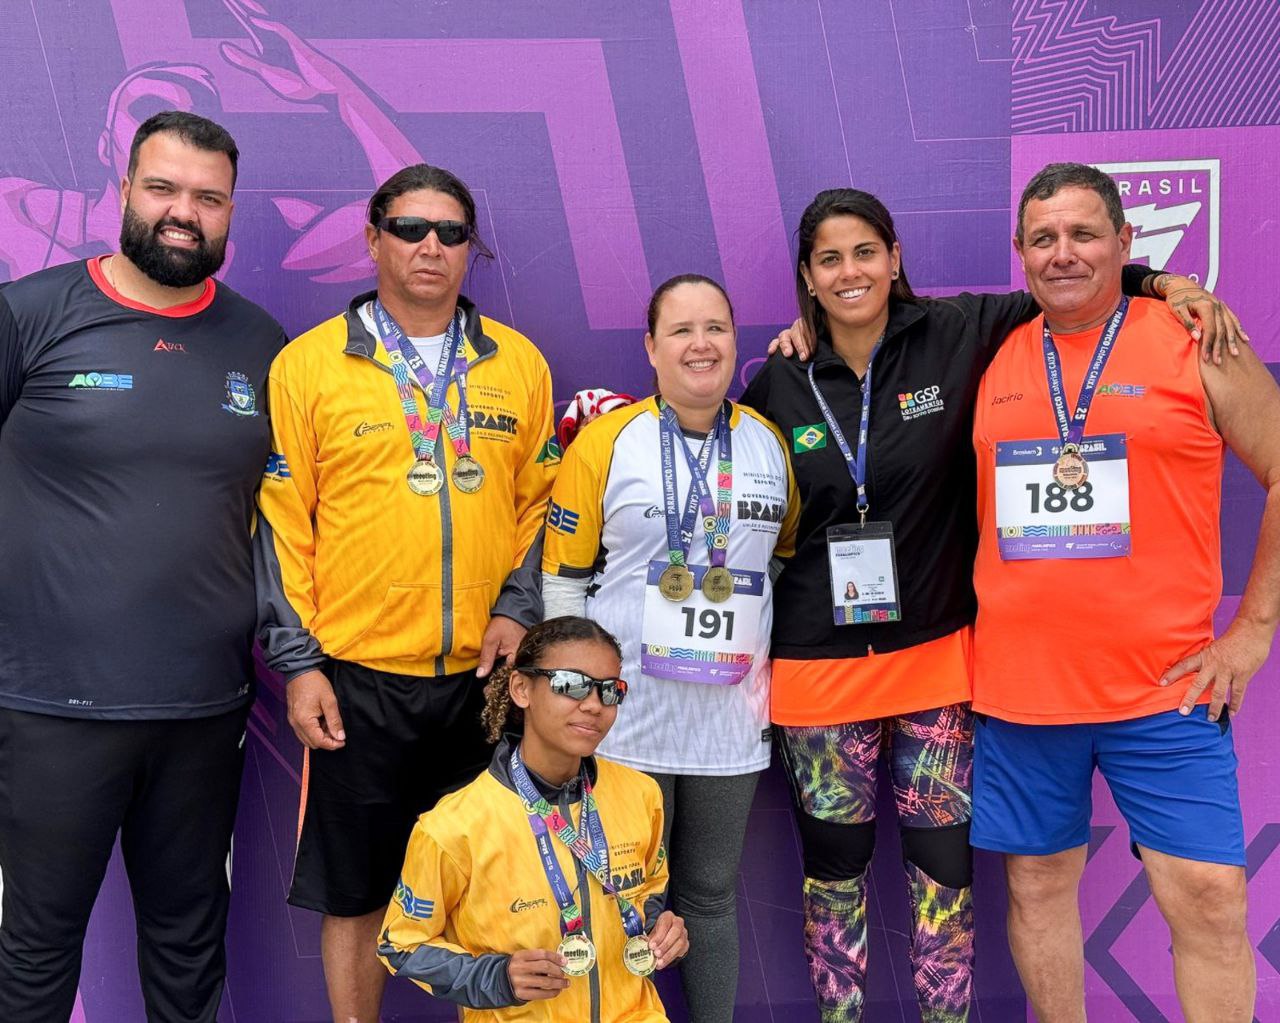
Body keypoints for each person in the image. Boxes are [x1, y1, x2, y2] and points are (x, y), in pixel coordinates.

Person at [739, 187, 1246, 1022]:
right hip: (819, 670)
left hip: (940, 662)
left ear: (895, 258)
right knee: (834, 874)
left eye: (865, 251)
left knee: (946, 881)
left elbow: (1074, 282)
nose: (849, 271)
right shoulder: (778, 381)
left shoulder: (958, 330)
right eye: (829, 259)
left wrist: (1168, 284)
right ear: (808, 274)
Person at [970, 162, 1280, 1023]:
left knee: (1210, 895)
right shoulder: (990, 350)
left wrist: (1254, 629)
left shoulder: (1194, 338)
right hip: (1023, 690)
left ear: (1124, 241)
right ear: (1020, 252)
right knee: (1037, 886)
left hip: (1167, 686)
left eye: (1083, 233)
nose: (1062, 253)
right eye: (1043, 238)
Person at [0, 110, 287, 1022]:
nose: (183, 213)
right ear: (124, 190)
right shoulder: (28, 314)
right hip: (48, 709)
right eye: (162, 188)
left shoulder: (263, 343)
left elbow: (287, 522)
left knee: (189, 947)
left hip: (204, 709)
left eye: (208, 198)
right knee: (35, 950)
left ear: (231, 211)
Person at [255, 163, 558, 1022]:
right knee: (356, 894)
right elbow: (282, 525)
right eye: (410, 228)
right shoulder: (308, 365)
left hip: (483, 683)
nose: (431, 246)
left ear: (470, 248)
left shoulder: (518, 364)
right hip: (357, 680)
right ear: (373, 238)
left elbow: (542, 507)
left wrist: (517, 608)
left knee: (498, 883)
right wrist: (299, 663)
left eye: (451, 232)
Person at [542, 274, 799, 1021]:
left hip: (728, 720)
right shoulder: (607, 442)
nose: (700, 344)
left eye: (715, 327)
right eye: (681, 330)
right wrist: (572, 699)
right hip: (627, 719)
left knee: (710, 896)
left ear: (736, 342)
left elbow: (779, 559)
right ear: (651, 348)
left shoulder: (767, 442)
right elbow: (562, 581)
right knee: (630, 900)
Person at [377, 615, 689, 1021]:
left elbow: (650, 892)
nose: (593, 704)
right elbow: (400, 944)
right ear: (521, 689)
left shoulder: (641, 794)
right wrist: (497, 976)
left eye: (610, 690)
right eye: (571, 684)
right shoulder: (453, 826)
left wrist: (662, 930)